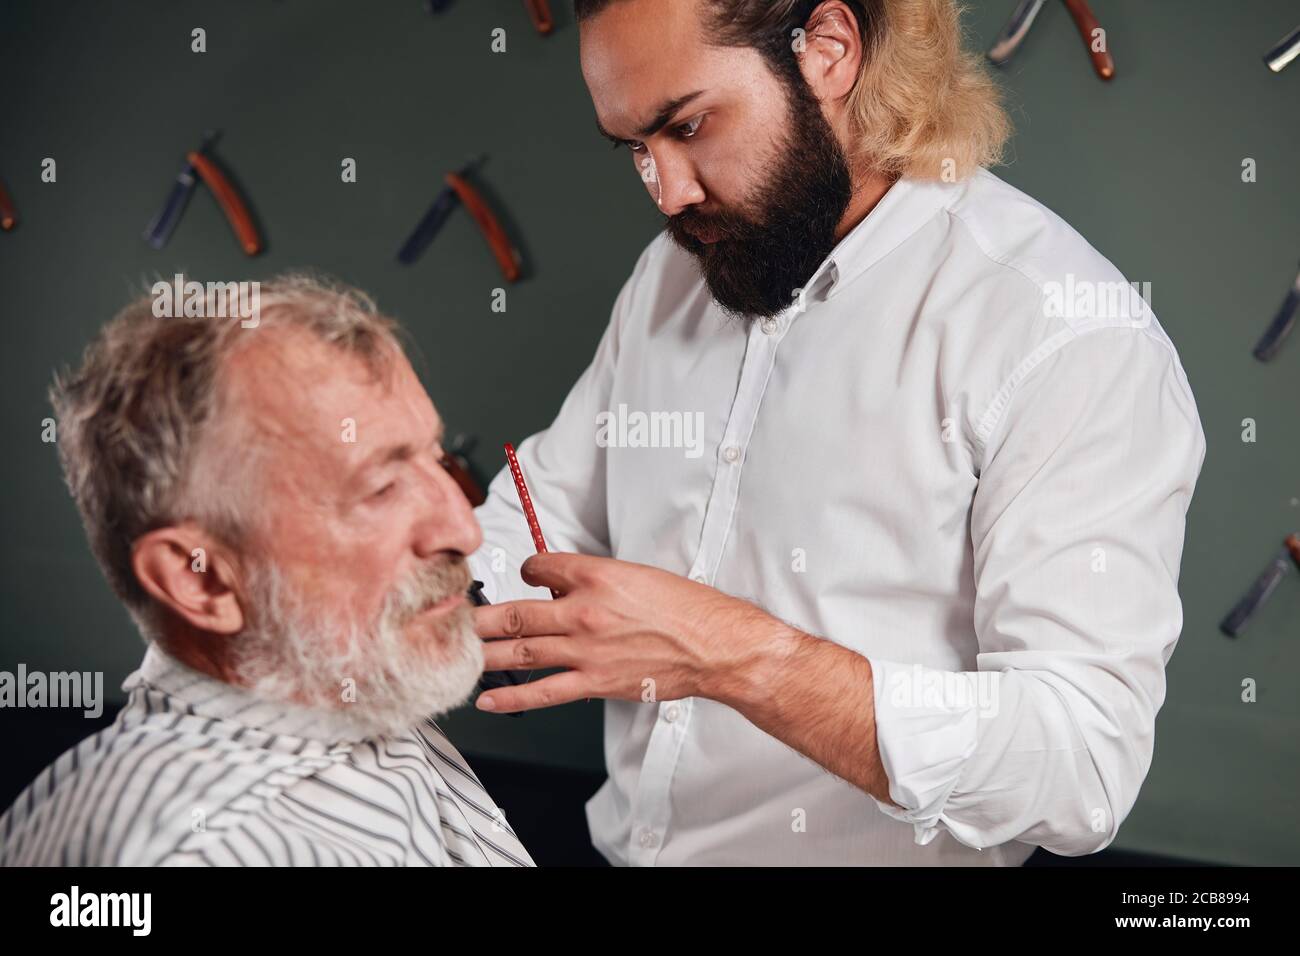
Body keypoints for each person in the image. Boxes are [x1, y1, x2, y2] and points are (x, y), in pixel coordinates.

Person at [468, 0, 1206, 865]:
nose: (668, 192)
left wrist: (725, 651)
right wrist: (404, 591)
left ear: (828, 49)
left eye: (690, 125)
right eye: (635, 148)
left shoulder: (1064, 336)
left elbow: (1080, 768)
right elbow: (541, 511)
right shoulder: (674, 272)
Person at [0, 275, 533, 867]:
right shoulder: (204, 853)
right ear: (200, 579)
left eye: (436, 459)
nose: (465, 530)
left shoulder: (343, 680)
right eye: (381, 488)